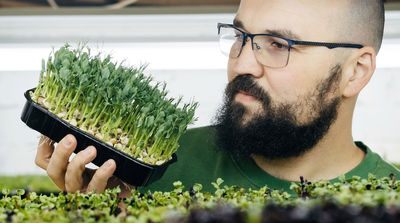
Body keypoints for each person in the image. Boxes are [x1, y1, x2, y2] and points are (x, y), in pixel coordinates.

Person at [35, 0, 400, 197]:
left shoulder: (389, 199)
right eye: (239, 36)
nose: (241, 64)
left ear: (356, 71)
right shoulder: (157, 166)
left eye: (278, 45)